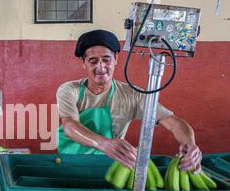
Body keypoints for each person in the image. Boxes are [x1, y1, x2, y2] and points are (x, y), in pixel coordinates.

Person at [57, 29, 202, 173]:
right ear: (84, 63)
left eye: (106, 59)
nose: (100, 67)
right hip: (69, 163)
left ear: (116, 59)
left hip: (110, 166)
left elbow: (173, 122)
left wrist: (190, 144)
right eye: (93, 61)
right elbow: (69, 125)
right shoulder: (70, 90)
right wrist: (104, 144)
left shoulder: (133, 95)